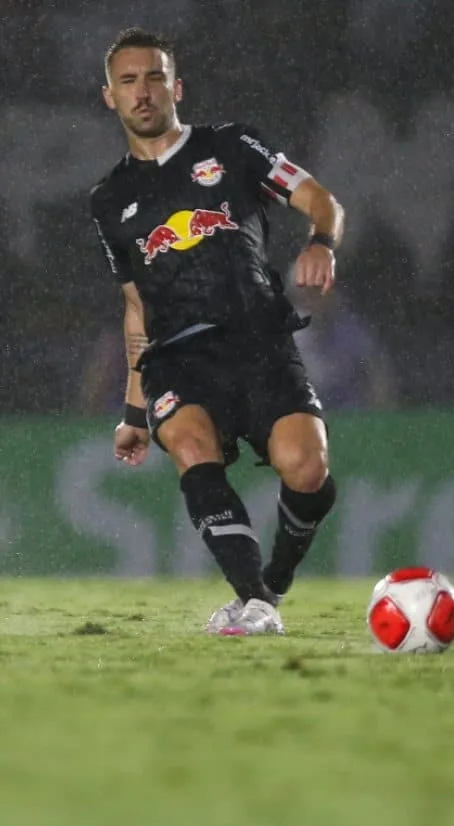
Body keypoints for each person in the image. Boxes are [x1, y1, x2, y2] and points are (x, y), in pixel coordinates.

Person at [88, 27, 346, 636]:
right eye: (128, 82)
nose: (142, 92)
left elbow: (321, 199)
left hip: (259, 338)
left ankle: (269, 591)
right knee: (191, 446)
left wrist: (322, 243)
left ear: (177, 87)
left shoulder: (233, 147)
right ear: (110, 98)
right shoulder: (109, 199)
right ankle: (252, 598)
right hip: (178, 358)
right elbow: (135, 309)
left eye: (154, 77)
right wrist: (131, 410)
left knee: (307, 470)